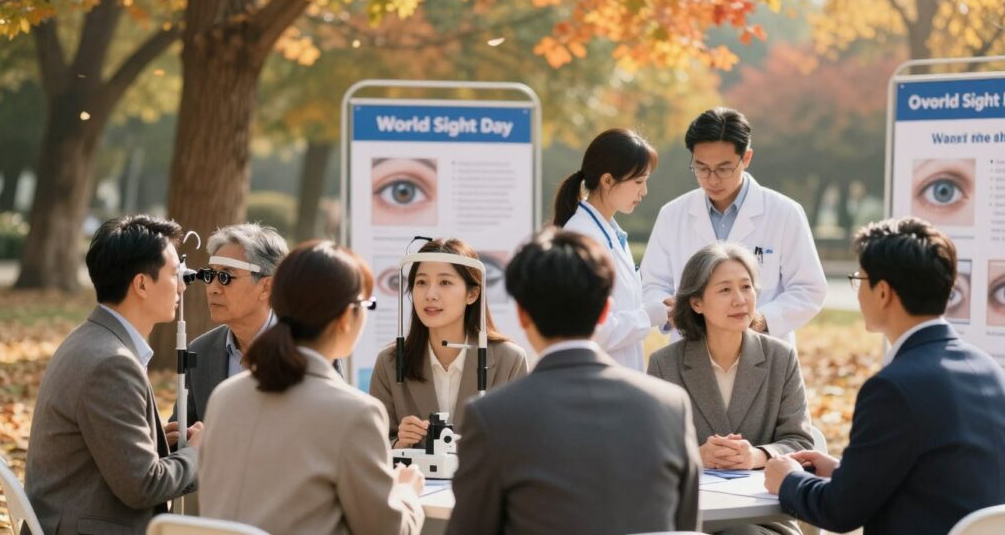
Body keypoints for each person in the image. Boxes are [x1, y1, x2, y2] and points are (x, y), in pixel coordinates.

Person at [764, 217, 1005, 535]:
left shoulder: (893, 388)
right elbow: (938, 478)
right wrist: (843, 474)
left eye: (860, 279)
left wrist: (787, 479)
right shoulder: (986, 369)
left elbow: (839, 512)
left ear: (883, 292)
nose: (858, 291)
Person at [447, 228, 701, 535]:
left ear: (523, 315)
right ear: (606, 310)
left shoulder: (491, 417)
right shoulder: (670, 406)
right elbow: (686, 527)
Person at [198, 241, 424, 534]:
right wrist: (407, 491)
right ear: (346, 317)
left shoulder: (225, 397)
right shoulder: (355, 413)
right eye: (367, 305)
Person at [25, 215, 200, 535]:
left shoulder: (88, 339)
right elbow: (143, 487)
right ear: (141, 284)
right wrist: (198, 454)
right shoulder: (112, 363)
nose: (182, 284)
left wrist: (159, 443)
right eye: (174, 274)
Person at [649, 242, 811, 535]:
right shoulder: (664, 364)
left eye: (746, 287)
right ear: (696, 303)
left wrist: (757, 456)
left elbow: (800, 442)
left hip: (764, 518)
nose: (740, 300)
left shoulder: (781, 358)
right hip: (690, 518)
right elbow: (650, 451)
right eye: (725, 290)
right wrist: (696, 455)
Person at [641, 107, 827, 342]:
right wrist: (669, 310)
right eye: (701, 168)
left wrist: (761, 319)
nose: (712, 179)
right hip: (691, 350)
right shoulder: (673, 214)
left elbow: (810, 288)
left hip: (763, 351)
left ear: (746, 158)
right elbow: (652, 283)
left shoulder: (784, 212)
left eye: (724, 168)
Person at [370, 237, 528, 447]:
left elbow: (523, 445)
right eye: (421, 282)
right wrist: (399, 444)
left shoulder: (509, 360)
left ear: (472, 293)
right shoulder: (389, 363)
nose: (430, 294)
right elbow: (371, 449)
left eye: (445, 282)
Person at [553, 128, 666, 370]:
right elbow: (591, 329)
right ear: (607, 181)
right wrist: (648, 317)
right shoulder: (582, 238)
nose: (644, 191)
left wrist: (653, 312)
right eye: (638, 181)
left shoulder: (609, 234)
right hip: (596, 386)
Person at [167, 223, 288, 443]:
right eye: (209, 276)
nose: (212, 288)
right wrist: (173, 442)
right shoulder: (199, 352)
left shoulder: (307, 348)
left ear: (266, 287)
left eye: (225, 277)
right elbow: (183, 441)